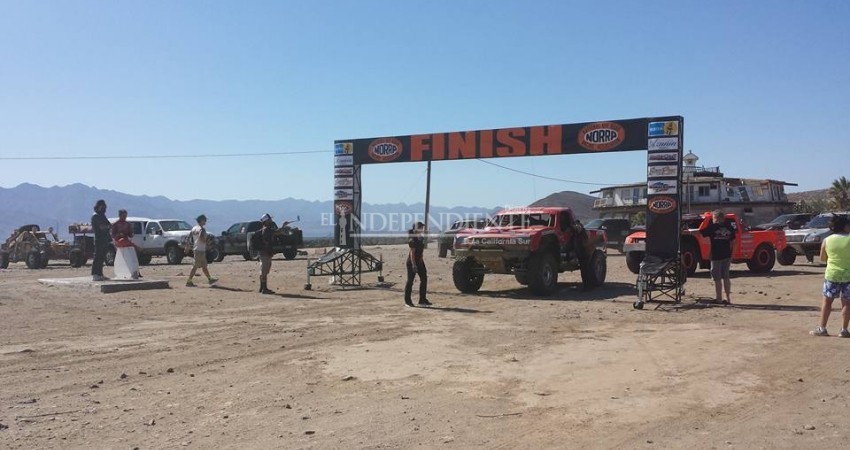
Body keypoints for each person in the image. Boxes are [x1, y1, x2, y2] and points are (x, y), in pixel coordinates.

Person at [811, 215, 850, 337]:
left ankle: (822, 328)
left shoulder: (827, 240)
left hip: (832, 275)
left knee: (827, 302)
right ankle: (844, 330)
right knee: (847, 303)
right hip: (848, 275)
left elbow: (823, 258)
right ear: (845, 226)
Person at [699, 209, 736, 304]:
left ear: (716, 218)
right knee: (726, 277)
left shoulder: (713, 227)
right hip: (727, 254)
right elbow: (733, 241)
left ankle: (719, 299)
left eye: (713, 218)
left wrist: (688, 231)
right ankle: (728, 298)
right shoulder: (729, 227)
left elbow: (701, 232)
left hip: (716, 255)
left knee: (717, 278)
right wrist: (732, 253)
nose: (712, 220)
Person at [404, 221, 432, 307]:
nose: (422, 229)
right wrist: (414, 264)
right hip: (412, 262)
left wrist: (421, 261)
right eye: (420, 227)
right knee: (410, 281)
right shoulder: (412, 239)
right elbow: (412, 252)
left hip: (420, 261)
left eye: (422, 227)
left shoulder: (421, 238)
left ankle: (422, 300)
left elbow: (421, 251)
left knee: (424, 279)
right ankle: (407, 301)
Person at [186, 214, 218, 287]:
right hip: (200, 250)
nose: (205, 222)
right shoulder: (201, 229)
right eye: (205, 220)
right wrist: (206, 243)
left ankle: (210, 279)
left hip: (197, 249)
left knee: (204, 266)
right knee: (195, 266)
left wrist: (187, 246)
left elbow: (189, 237)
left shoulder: (194, 228)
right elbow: (201, 237)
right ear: (201, 220)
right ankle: (189, 281)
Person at [110, 209, 141, 279]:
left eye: (125, 215)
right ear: (119, 215)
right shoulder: (115, 224)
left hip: (127, 242)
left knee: (132, 255)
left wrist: (132, 233)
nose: (124, 217)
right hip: (119, 241)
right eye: (123, 215)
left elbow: (130, 234)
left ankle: (134, 271)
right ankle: (136, 246)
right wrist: (119, 234)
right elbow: (113, 235)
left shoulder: (128, 224)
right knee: (123, 240)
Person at [91, 199, 111, 281]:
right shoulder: (95, 216)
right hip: (99, 239)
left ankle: (100, 273)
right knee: (98, 256)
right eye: (103, 206)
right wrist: (107, 227)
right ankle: (95, 274)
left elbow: (109, 225)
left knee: (102, 257)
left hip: (105, 239)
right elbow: (102, 227)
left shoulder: (102, 216)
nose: (104, 208)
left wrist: (108, 226)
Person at [257, 213, 276, 294]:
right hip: (265, 253)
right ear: (267, 221)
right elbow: (267, 243)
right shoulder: (266, 230)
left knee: (263, 271)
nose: (271, 220)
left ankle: (262, 287)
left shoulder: (266, 229)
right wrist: (269, 252)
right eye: (270, 219)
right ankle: (264, 289)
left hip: (263, 253)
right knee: (264, 271)